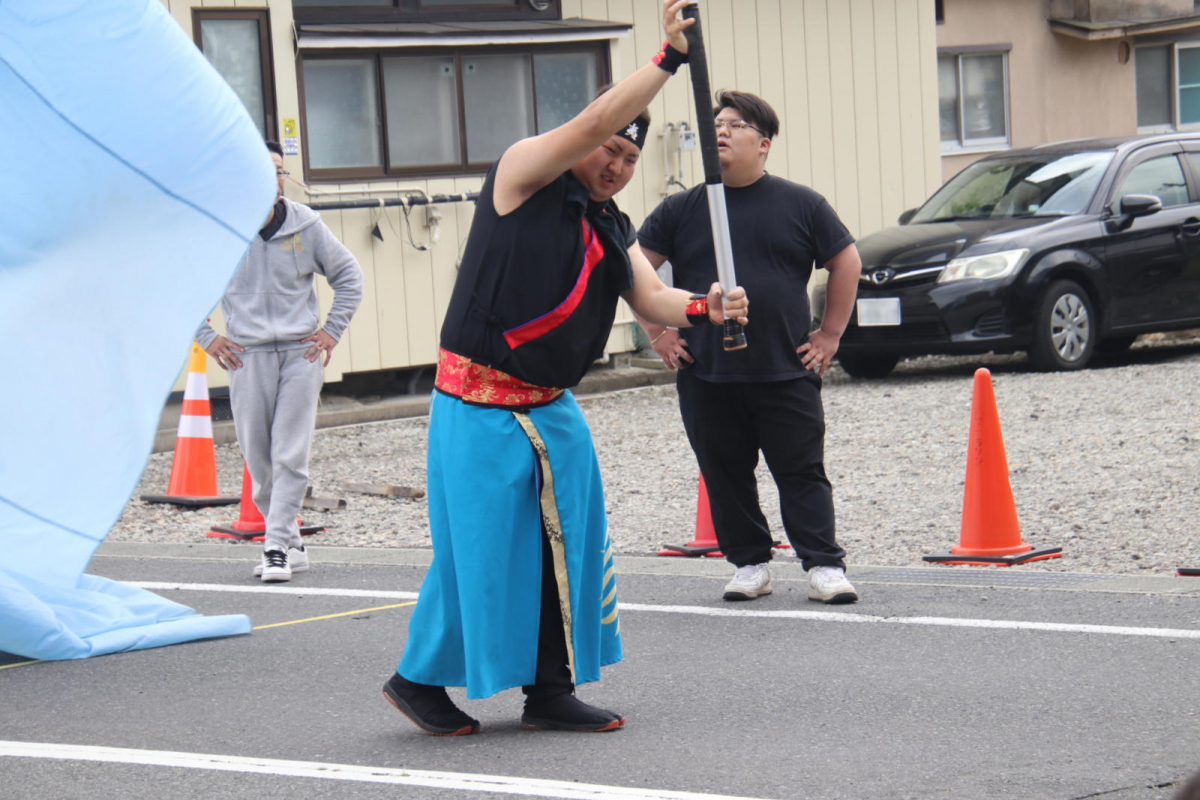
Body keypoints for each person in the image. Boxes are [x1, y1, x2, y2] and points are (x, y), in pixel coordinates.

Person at [383, 0, 748, 737]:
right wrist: (668, 61)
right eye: (609, 148)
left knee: (572, 547)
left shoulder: (611, 226)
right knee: (483, 554)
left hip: (551, 406)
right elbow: (586, 125)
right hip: (479, 404)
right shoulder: (522, 174)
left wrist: (708, 307)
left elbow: (649, 294)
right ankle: (417, 679)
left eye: (629, 159)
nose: (614, 164)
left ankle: (550, 689)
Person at [636, 90, 862, 605]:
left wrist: (829, 334)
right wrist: (659, 333)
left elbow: (846, 262)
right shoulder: (681, 209)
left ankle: (823, 564)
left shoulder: (800, 204)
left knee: (801, 470)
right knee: (724, 471)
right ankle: (749, 563)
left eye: (735, 125)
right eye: (715, 124)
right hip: (707, 372)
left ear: (763, 143)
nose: (721, 131)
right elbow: (636, 272)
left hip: (784, 368)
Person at [196, 141, 363, 584]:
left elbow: (349, 277)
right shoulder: (219, 230)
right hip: (246, 357)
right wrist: (209, 339)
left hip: (299, 355)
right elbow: (180, 287)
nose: (275, 179)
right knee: (258, 455)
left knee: (290, 451)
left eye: (279, 171)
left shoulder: (306, 225)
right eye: (265, 170)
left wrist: (331, 331)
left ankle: (274, 548)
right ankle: (291, 541)